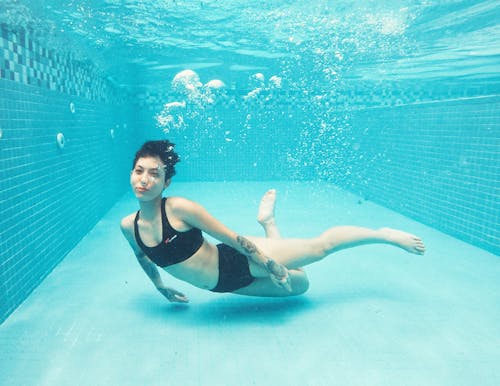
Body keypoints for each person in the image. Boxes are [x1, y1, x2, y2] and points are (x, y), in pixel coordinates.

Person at [120, 140, 426, 303]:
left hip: (236, 260)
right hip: (222, 286)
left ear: (166, 183)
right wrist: (161, 288)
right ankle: (268, 221)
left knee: (320, 248)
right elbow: (143, 259)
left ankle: (382, 234)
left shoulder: (179, 208)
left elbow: (232, 238)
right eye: (139, 171)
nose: (144, 180)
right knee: (300, 285)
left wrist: (270, 265)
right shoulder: (128, 226)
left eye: (154, 174)